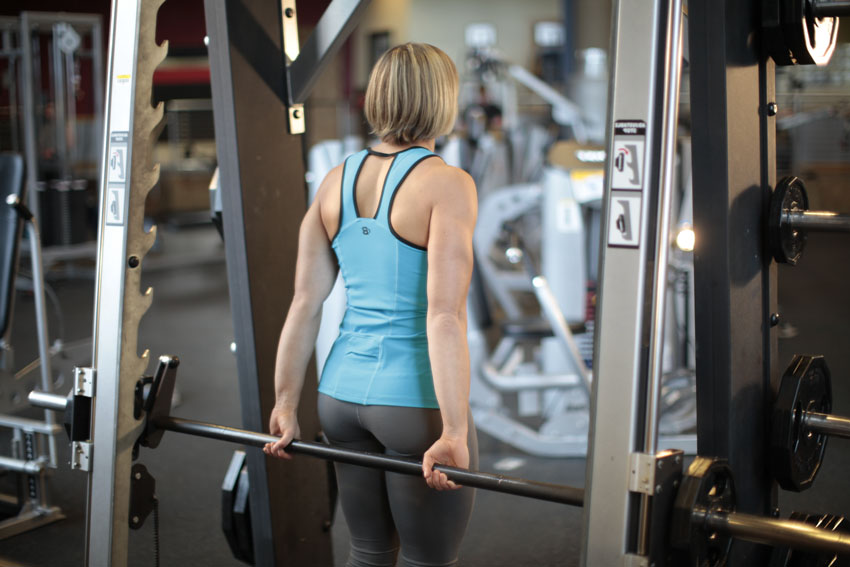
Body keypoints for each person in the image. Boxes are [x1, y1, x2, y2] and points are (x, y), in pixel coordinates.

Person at [263, 42, 479, 567]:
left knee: (368, 554)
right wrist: (454, 431)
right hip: (413, 403)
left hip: (339, 399)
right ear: (442, 100)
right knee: (428, 560)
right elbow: (444, 316)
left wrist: (287, 405)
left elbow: (304, 303)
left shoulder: (335, 180)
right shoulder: (447, 184)